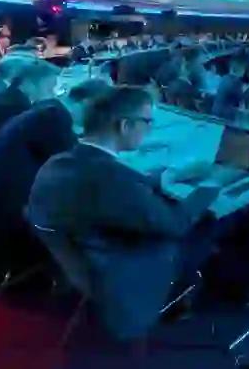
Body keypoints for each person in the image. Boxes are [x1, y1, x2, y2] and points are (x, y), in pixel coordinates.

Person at [28, 86, 223, 340]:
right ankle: (193, 295)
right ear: (124, 126)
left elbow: (125, 191)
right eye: (147, 122)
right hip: (125, 273)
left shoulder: (60, 162)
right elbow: (174, 223)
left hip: (88, 262)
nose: (149, 129)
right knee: (209, 221)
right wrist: (212, 185)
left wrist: (169, 174)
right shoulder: (112, 179)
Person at [0, 78, 112, 287]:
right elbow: (78, 170)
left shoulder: (48, 110)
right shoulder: (54, 118)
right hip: (8, 231)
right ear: (87, 103)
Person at [0, 60, 60, 162]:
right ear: (30, 84)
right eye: (50, 89)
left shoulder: (5, 99)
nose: (52, 94)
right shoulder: (17, 109)